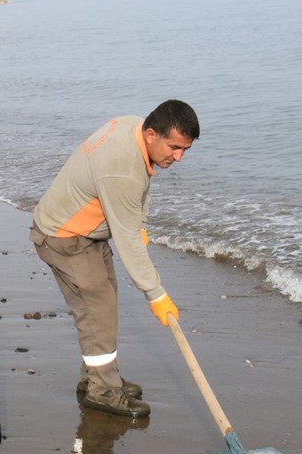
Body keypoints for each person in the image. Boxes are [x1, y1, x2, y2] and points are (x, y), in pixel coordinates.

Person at [29, 100, 200, 418]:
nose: (178, 157)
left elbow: (141, 187)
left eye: (185, 150)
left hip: (87, 232)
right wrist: (157, 294)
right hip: (64, 237)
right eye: (174, 147)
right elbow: (127, 239)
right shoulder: (122, 169)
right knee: (98, 312)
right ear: (152, 134)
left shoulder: (132, 127)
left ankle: (98, 378)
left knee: (103, 307)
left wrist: (141, 222)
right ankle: (103, 391)